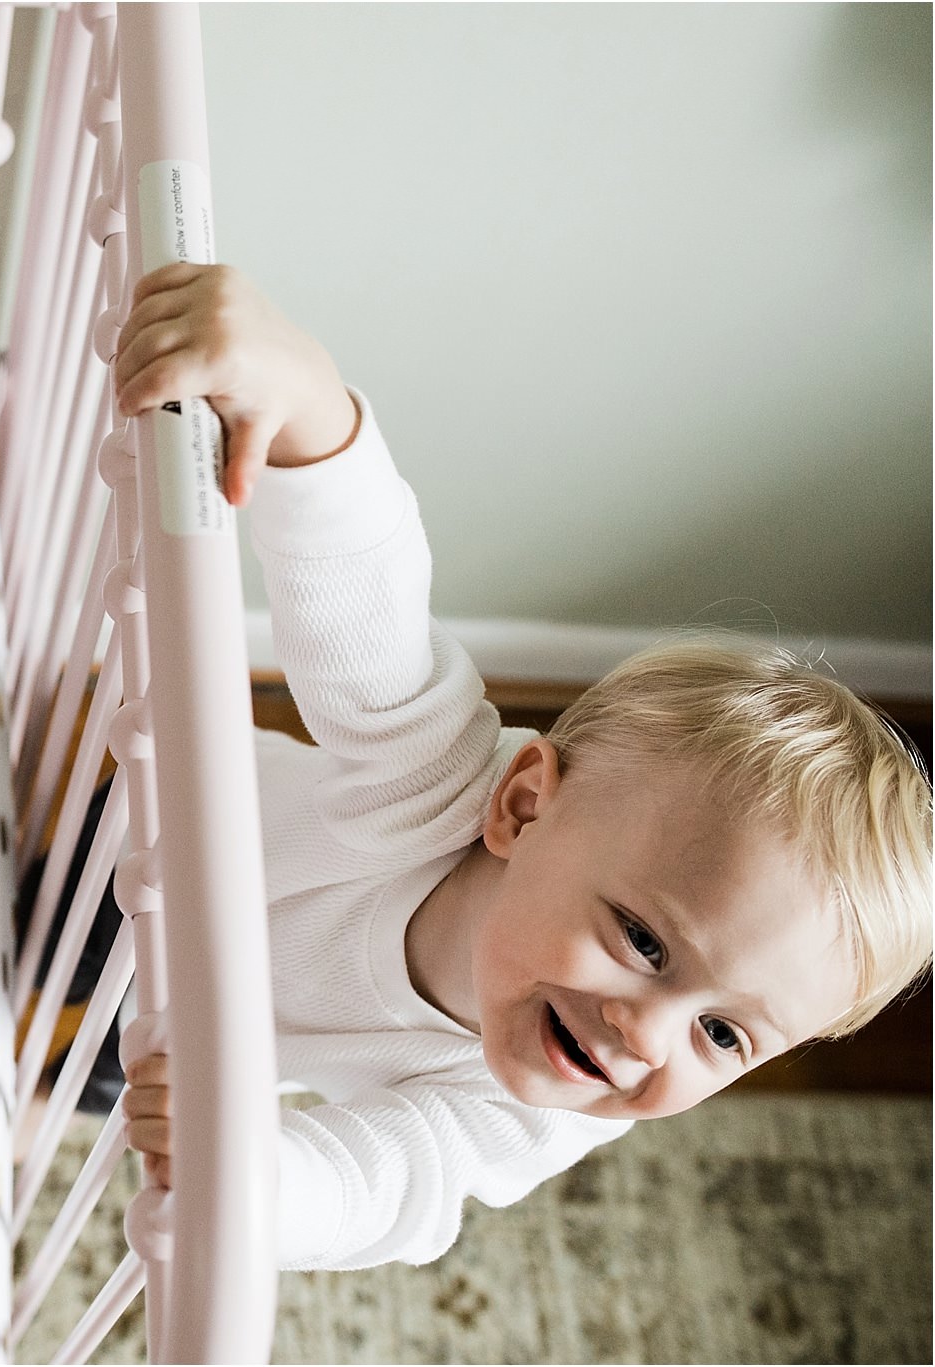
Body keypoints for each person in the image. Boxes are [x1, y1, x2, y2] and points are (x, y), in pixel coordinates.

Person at [52, 262, 931, 1269]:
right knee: (35, 932)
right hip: (140, 850)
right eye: (643, 940)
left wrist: (257, 1180)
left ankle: (82, 1074)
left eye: (723, 1037)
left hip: (226, 1025)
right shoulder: (432, 777)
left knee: (120, 1074)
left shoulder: (546, 1110)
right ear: (520, 806)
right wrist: (302, 409)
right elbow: (367, 614)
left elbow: (395, 1180)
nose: (642, 1034)